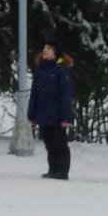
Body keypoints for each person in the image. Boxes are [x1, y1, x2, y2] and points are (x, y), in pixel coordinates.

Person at [27, 41, 74, 180]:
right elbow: (34, 93)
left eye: (48, 48)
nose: (44, 50)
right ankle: (52, 169)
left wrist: (66, 117)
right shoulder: (40, 69)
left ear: (55, 52)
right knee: (48, 143)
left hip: (57, 114)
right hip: (43, 113)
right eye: (44, 48)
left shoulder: (62, 70)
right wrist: (32, 114)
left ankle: (62, 171)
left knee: (59, 143)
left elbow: (66, 95)